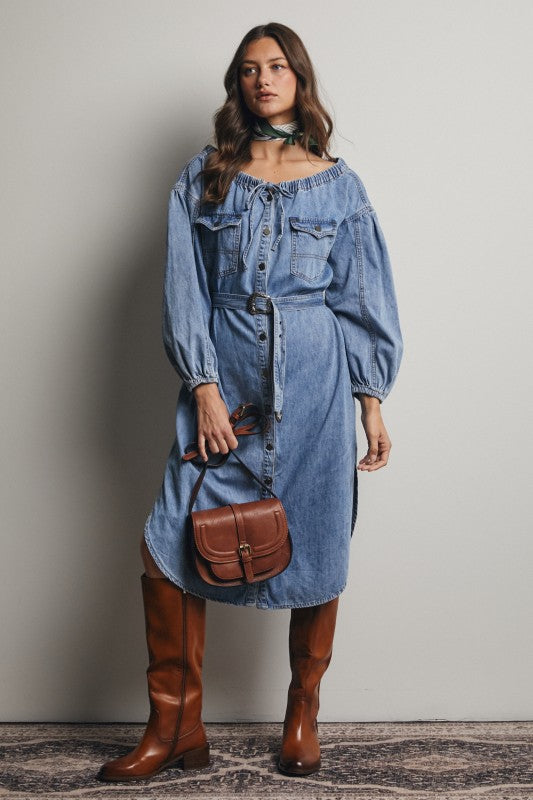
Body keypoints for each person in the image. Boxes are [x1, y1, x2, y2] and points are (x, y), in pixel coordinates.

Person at [97, 21, 403, 783]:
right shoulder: (205, 176)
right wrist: (203, 387)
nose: (261, 79)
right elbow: (185, 289)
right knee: (167, 543)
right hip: (226, 388)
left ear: (299, 78)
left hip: (316, 388)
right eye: (246, 70)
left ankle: (302, 714)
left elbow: (362, 298)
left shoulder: (339, 185)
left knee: (320, 544)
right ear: (235, 86)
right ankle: (175, 728)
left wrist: (370, 400)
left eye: (275, 67)